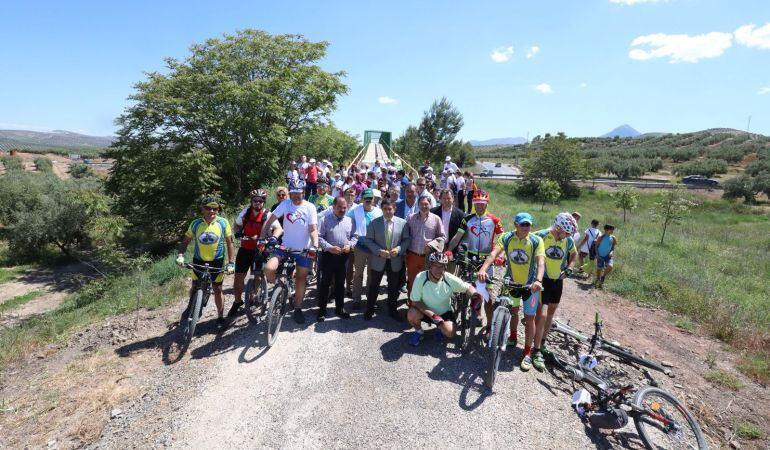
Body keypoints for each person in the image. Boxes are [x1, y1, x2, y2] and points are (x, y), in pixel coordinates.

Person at [477, 212, 544, 372]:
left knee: (530, 318)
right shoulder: (507, 237)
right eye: (523, 225)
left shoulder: (536, 240)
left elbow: (541, 262)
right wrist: (483, 269)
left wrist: (539, 280)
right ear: (516, 225)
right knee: (513, 311)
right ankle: (513, 336)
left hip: (530, 286)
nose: (526, 228)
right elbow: (494, 254)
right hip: (511, 283)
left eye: (528, 225)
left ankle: (527, 353)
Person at [260, 181, 319, 324]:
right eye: (293, 194)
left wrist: (315, 245)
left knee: (300, 278)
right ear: (290, 194)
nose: (296, 197)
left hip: (303, 249)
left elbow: (312, 229)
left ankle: (298, 308)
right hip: (285, 247)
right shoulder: (285, 204)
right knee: (268, 268)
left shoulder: (309, 207)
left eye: (299, 194)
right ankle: (280, 286)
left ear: (303, 193)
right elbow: (270, 219)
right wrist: (262, 237)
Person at [176, 196, 236, 330]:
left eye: (215, 208)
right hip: (199, 260)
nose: (212, 211)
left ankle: (220, 317)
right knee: (195, 285)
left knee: (218, 288)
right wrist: (180, 255)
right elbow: (185, 241)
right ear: (202, 209)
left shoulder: (223, 222)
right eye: (208, 208)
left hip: (217, 261)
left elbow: (230, 243)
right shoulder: (196, 223)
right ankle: (192, 306)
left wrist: (231, 262)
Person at [447, 190, 504, 328]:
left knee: (488, 296)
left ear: (486, 204)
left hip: (487, 261)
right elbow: (457, 238)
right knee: (470, 289)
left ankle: (489, 326)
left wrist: (500, 255)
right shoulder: (467, 219)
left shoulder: (494, 220)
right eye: (476, 203)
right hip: (470, 259)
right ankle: (468, 310)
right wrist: (449, 250)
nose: (479, 206)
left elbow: (503, 240)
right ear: (473, 204)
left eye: (482, 204)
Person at [531, 213, 578, 371]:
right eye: (565, 233)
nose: (567, 236)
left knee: (550, 313)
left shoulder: (568, 240)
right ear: (558, 228)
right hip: (542, 279)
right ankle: (535, 351)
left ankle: (542, 343)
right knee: (542, 315)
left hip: (557, 280)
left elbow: (574, 254)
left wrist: (570, 267)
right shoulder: (541, 235)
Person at [407, 252, 483, 346]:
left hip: (444, 313)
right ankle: (419, 332)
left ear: (445, 267)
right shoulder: (420, 277)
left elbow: (467, 287)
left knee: (450, 333)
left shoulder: (448, 278)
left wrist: (475, 295)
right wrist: (433, 316)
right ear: (430, 266)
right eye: (435, 265)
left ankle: (440, 329)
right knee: (411, 314)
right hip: (426, 312)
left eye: (441, 266)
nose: (438, 270)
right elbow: (415, 302)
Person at [228, 189, 283, 318]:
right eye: (255, 200)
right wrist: (238, 232)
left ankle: (253, 297)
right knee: (238, 278)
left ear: (264, 202)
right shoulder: (245, 213)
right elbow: (236, 225)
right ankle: (237, 301)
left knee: (256, 276)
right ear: (251, 201)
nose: (258, 203)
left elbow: (278, 228)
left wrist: (274, 238)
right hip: (245, 248)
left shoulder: (268, 215)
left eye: (260, 201)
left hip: (260, 249)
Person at [363, 199, 411, 320]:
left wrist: (399, 249)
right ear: (382, 209)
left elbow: (407, 240)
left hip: (395, 260)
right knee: (374, 285)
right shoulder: (374, 223)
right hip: (379, 259)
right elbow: (368, 240)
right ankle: (370, 308)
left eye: (390, 209)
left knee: (393, 286)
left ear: (394, 209)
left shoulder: (403, 223)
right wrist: (379, 251)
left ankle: (392, 309)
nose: (388, 211)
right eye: (385, 209)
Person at [317, 196, 356, 321]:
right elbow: (319, 237)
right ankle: (322, 310)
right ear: (333, 207)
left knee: (340, 284)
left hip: (343, 257)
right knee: (325, 283)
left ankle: (339, 308)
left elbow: (355, 236)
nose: (342, 209)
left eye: (344, 207)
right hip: (328, 256)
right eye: (339, 207)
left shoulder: (350, 221)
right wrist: (329, 247)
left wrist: (350, 245)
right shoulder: (325, 220)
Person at [346, 188, 383, 308]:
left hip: (374, 247)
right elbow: (347, 224)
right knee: (358, 274)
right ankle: (356, 299)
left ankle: (370, 298)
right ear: (361, 199)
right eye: (365, 198)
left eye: (370, 198)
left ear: (373, 199)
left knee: (371, 274)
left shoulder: (379, 212)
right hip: (360, 247)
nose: (368, 200)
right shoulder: (354, 211)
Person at [405, 196, 446, 297]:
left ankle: (424, 307)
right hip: (412, 256)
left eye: (426, 204)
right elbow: (405, 235)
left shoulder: (436, 219)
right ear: (418, 205)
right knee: (412, 281)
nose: (424, 206)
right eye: (421, 204)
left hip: (428, 257)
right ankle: (411, 305)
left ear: (430, 205)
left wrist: (432, 244)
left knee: (426, 282)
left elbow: (442, 237)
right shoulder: (411, 218)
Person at [430, 189, 465, 253]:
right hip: (435, 247)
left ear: (453, 198)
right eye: (444, 198)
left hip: (453, 249)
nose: (446, 200)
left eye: (448, 198)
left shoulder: (460, 214)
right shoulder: (433, 212)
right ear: (440, 199)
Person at [594, 224, 618, 288]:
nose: (612, 231)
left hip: (608, 256)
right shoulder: (601, 237)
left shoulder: (613, 238)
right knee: (599, 269)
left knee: (610, 266)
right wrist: (597, 255)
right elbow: (596, 246)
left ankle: (603, 277)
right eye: (611, 230)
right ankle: (598, 280)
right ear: (606, 230)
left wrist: (611, 252)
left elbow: (613, 247)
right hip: (600, 256)